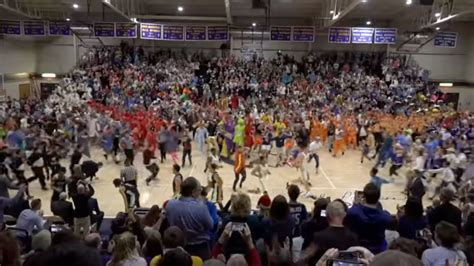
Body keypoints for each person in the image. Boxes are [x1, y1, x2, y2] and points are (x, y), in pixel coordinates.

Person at [165, 177, 213, 260]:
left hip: (177, 248)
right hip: (199, 249)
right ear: (193, 192)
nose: (201, 191)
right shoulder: (201, 207)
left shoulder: (170, 204)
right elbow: (210, 226)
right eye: (199, 189)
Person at [305, 200, 358, 265]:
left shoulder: (319, 237)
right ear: (344, 215)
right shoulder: (353, 237)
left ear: (327, 215)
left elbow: (311, 262)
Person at [345, 183, 392, 254]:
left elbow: (349, 217)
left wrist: (355, 205)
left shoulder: (353, 212)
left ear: (364, 196)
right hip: (377, 251)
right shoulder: (386, 217)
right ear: (379, 197)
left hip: (357, 249)